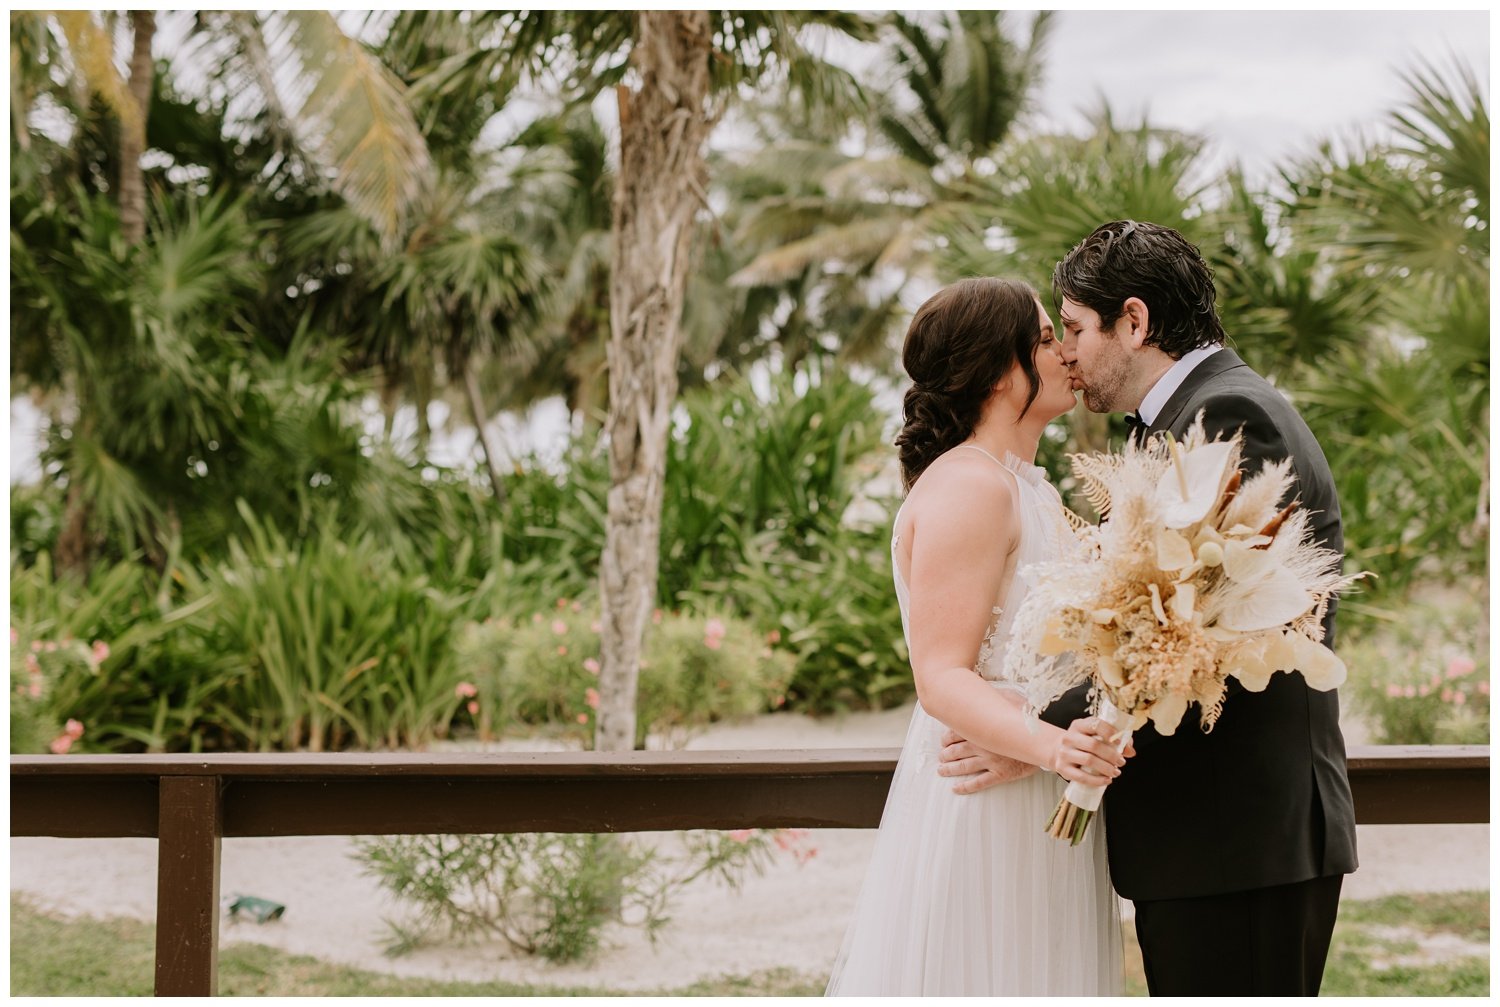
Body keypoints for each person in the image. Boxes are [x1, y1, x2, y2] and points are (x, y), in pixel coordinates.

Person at [937, 222, 1357, 996]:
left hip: (1239, 839)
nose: (1066, 352)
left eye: (1075, 328)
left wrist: (1037, 736)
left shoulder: (1232, 417)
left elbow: (1195, 636)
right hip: (1215, 843)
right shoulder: (1192, 415)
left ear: (1134, 322)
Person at [826, 276, 1128, 996]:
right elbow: (941, 675)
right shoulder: (969, 486)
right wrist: (1055, 746)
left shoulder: (1032, 487)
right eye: (1047, 339)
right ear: (999, 371)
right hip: (985, 807)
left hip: (1038, 785)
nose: (1066, 353)